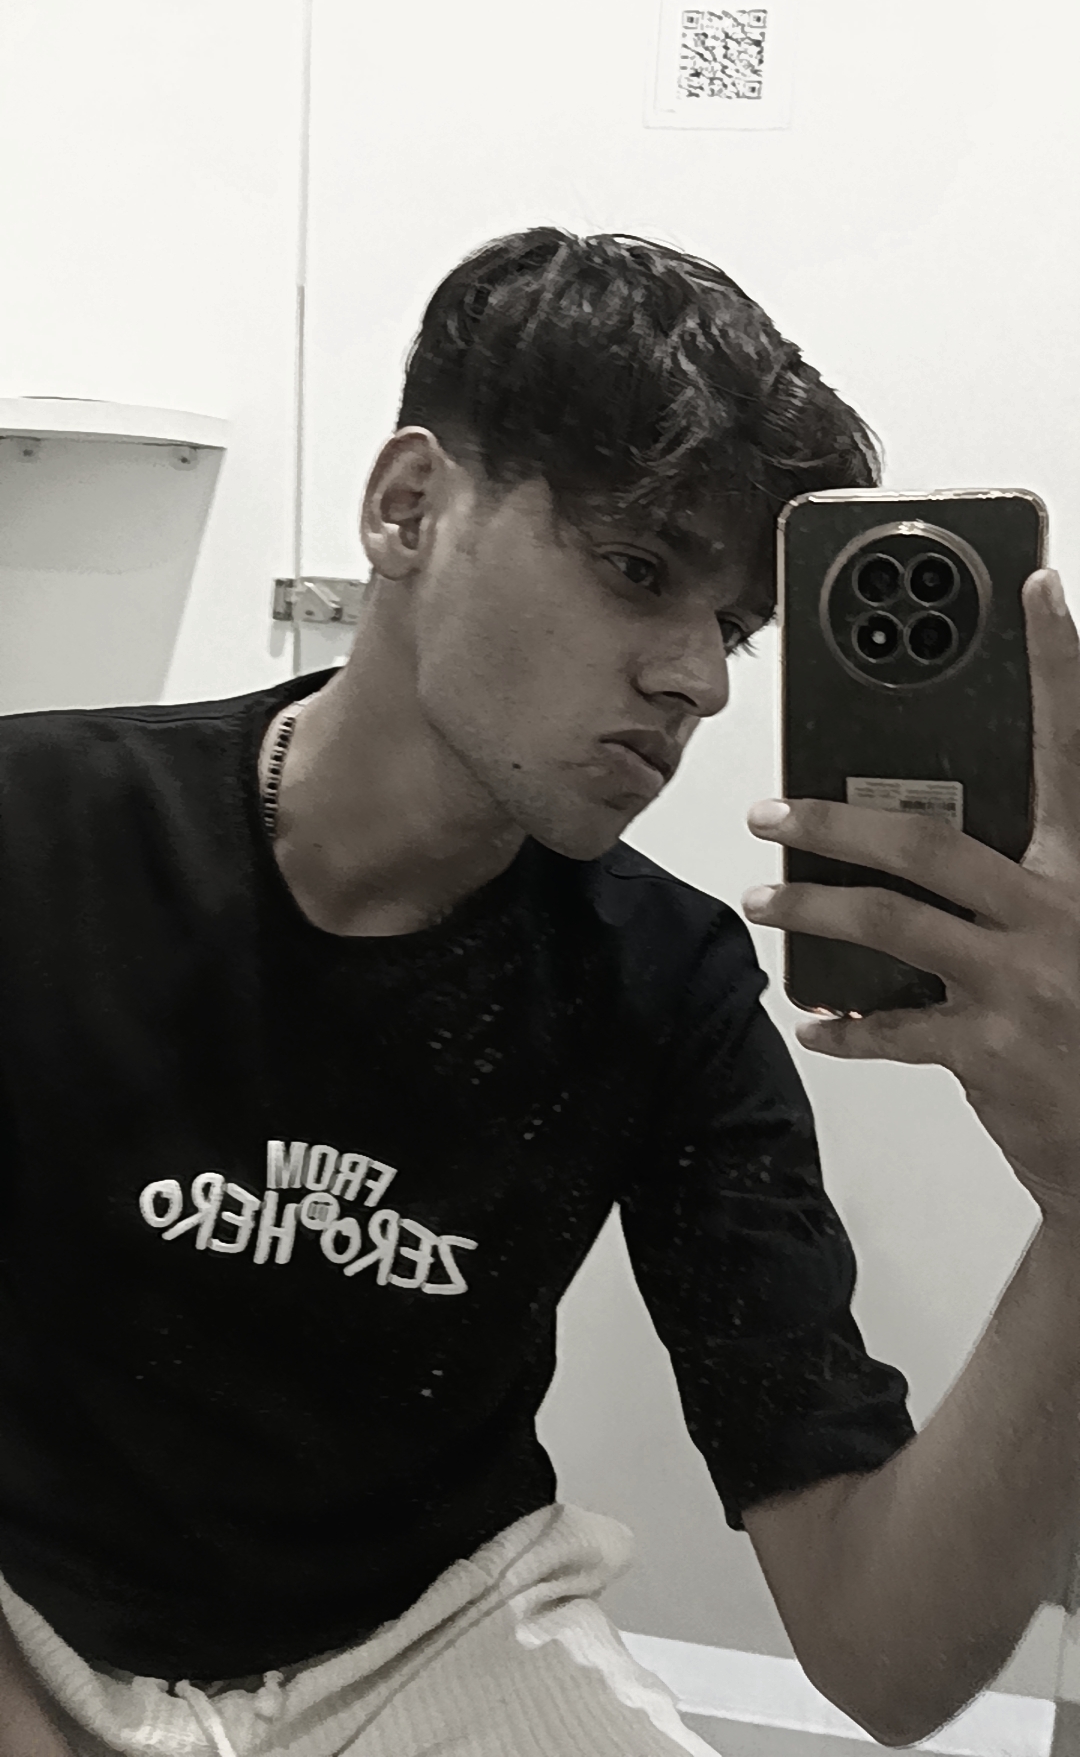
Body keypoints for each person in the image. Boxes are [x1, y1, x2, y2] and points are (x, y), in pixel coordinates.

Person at [0, 228, 1077, 1757]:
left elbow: (884, 1661)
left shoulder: (664, 983)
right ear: (409, 508)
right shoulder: (41, 834)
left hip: (422, 1640)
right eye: (641, 569)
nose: (700, 678)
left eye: (733, 625)